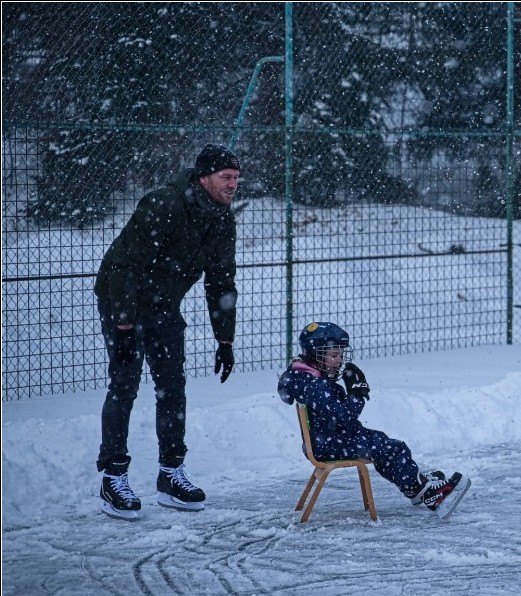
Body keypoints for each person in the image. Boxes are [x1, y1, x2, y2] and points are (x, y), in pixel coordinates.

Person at [94, 143, 241, 520]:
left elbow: (221, 280)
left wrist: (225, 339)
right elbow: (125, 265)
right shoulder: (165, 204)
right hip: (121, 295)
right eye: (226, 177)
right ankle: (113, 477)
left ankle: (170, 474)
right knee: (125, 383)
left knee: (172, 386)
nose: (232, 185)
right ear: (205, 177)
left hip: (163, 305)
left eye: (236, 178)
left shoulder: (222, 217)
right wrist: (125, 326)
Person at [277, 321, 471, 520]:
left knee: (383, 442)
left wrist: (350, 392)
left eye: (341, 355)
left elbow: (335, 414)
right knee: (392, 449)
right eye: (333, 355)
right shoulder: (313, 385)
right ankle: (429, 495)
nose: (339, 360)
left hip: (331, 440)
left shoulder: (306, 379)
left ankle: (416, 485)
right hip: (332, 444)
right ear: (313, 354)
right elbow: (344, 417)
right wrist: (356, 393)